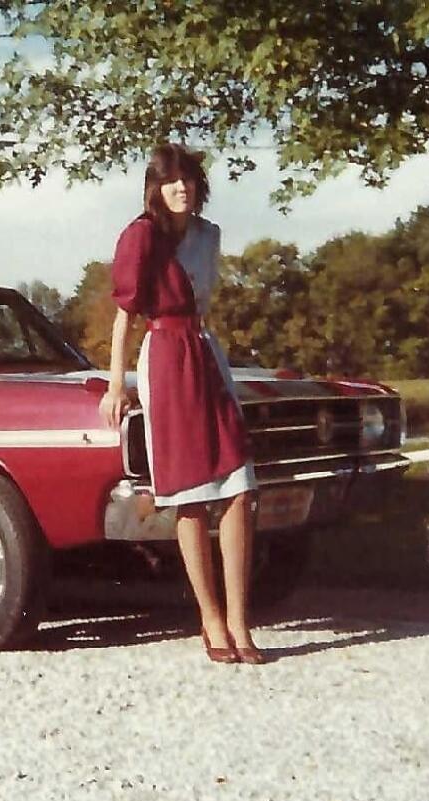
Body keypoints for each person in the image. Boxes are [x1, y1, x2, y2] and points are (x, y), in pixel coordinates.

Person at [99, 142, 266, 665]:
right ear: (156, 187)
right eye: (171, 180)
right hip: (165, 358)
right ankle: (211, 621)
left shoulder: (208, 236)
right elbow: (125, 316)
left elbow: (204, 303)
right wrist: (115, 384)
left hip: (204, 353)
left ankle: (241, 619)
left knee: (240, 489)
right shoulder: (141, 237)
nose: (181, 188)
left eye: (189, 180)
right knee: (190, 494)